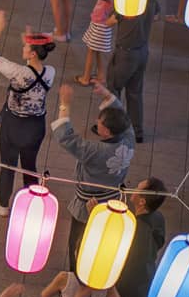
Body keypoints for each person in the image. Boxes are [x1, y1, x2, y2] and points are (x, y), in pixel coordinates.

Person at [0, 11, 57, 214]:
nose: (23, 48)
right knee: (29, 165)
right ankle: (31, 202)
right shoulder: (50, 72)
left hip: (13, 125)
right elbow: (32, 72)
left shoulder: (18, 73)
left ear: (33, 53)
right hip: (36, 127)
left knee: (7, 165)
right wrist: (29, 38)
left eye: (26, 47)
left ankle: (3, 205)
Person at [52, 82, 136, 253]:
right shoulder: (129, 138)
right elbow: (123, 117)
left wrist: (65, 104)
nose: (97, 123)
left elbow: (66, 138)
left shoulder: (96, 151)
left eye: (100, 124)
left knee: (78, 243)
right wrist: (107, 95)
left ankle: (75, 272)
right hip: (113, 197)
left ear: (106, 132)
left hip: (89, 202)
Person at [104, 0, 157, 143]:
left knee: (113, 89)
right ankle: (137, 131)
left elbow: (108, 22)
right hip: (142, 52)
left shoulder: (125, 7)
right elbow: (156, 17)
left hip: (125, 54)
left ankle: (112, 128)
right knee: (135, 92)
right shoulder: (152, 3)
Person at [78, 0, 116, 84]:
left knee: (91, 52)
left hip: (100, 27)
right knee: (98, 52)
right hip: (98, 25)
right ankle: (101, 76)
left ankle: (85, 78)